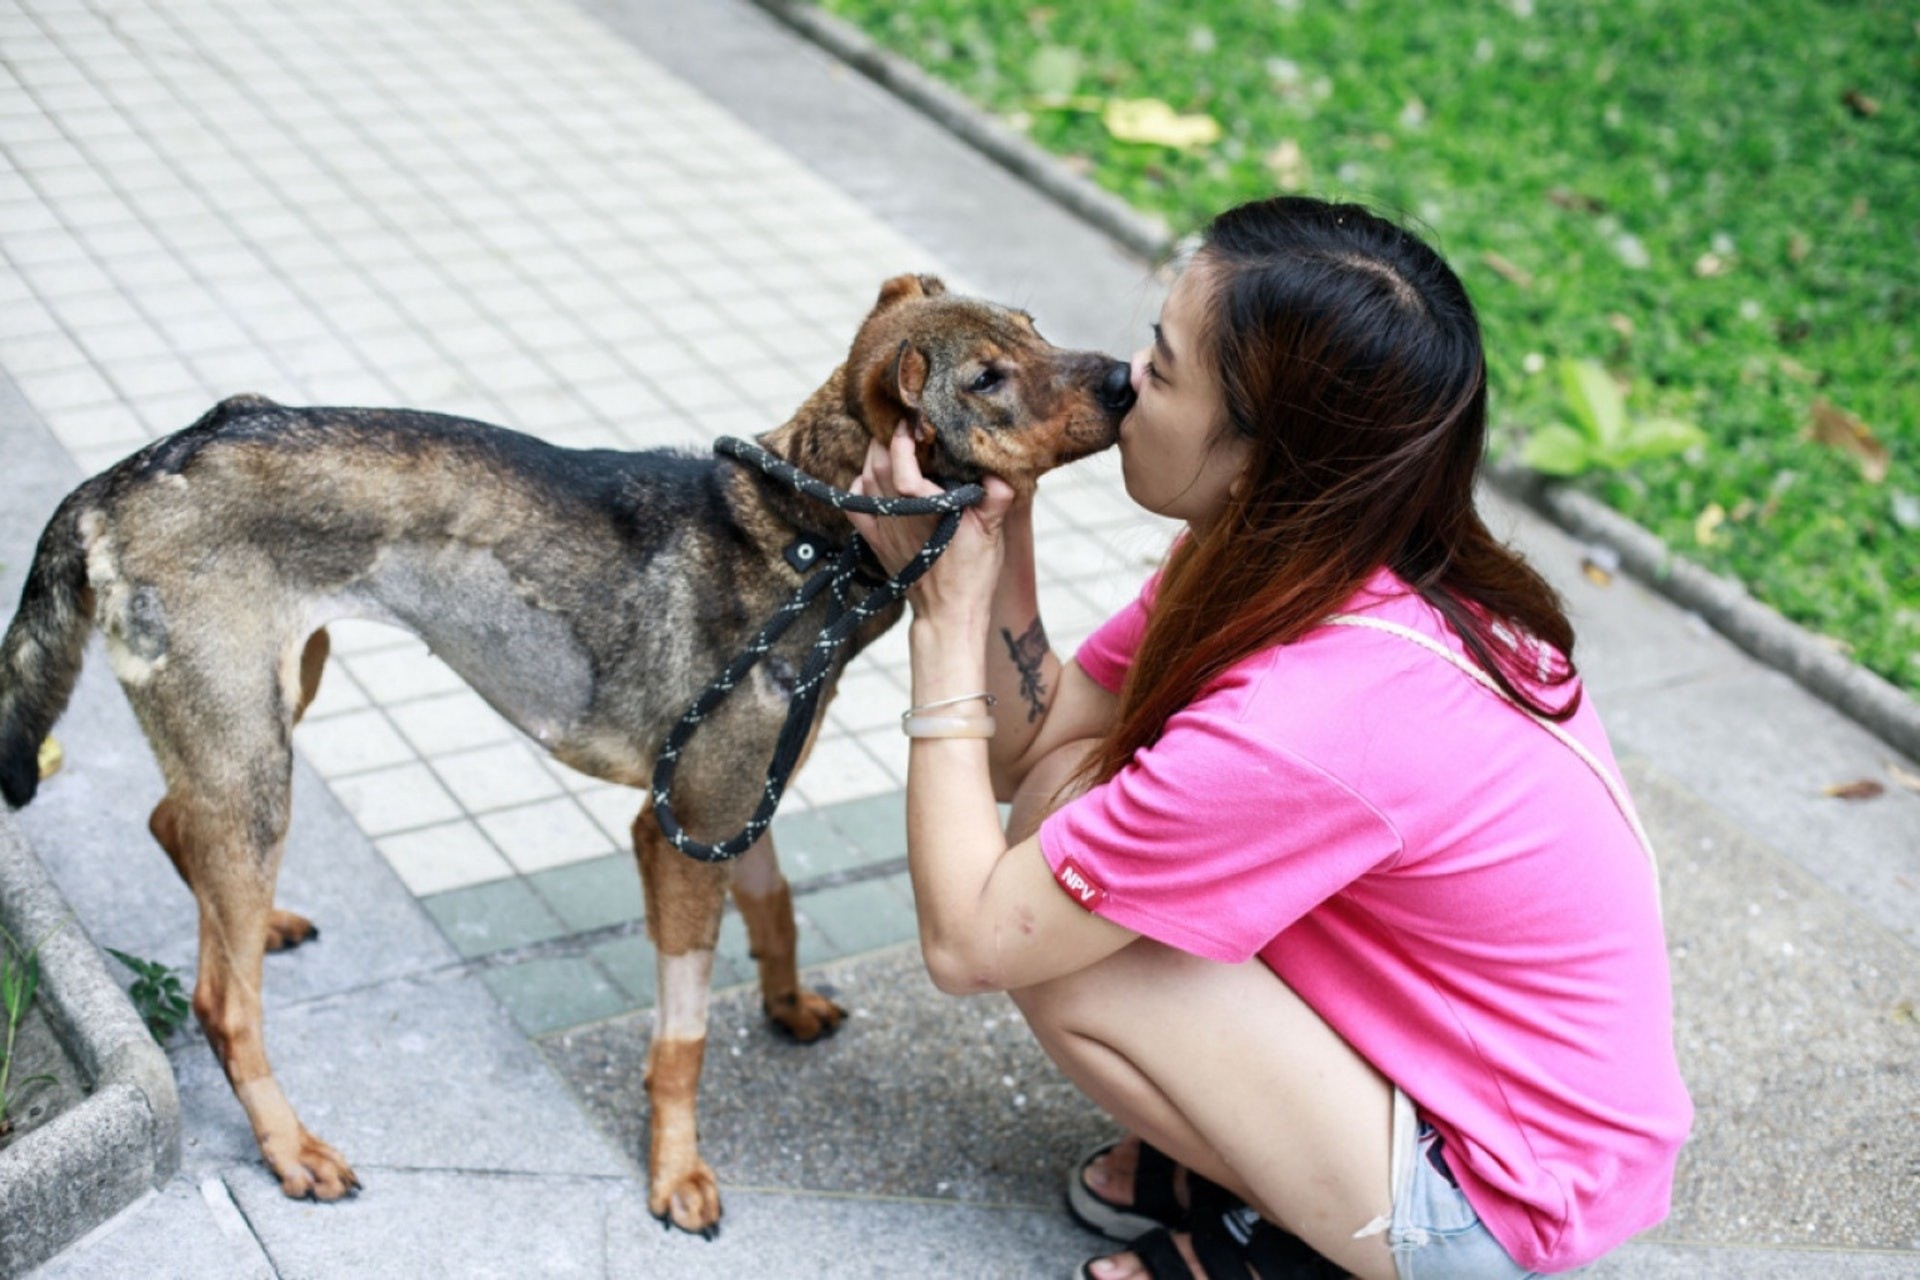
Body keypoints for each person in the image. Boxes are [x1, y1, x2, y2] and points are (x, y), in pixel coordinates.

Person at [849, 196, 1690, 1280]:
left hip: (1494, 1200)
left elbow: (968, 940)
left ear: (1258, 453)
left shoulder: (1304, 717)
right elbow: (1040, 734)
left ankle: (1311, 1233)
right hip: (1471, 1079)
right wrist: (998, 508)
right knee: (1070, 798)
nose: (1117, 379)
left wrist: (941, 615)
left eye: (1158, 365)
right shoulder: (1321, 554)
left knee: (1064, 959)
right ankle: (1284, 1155)